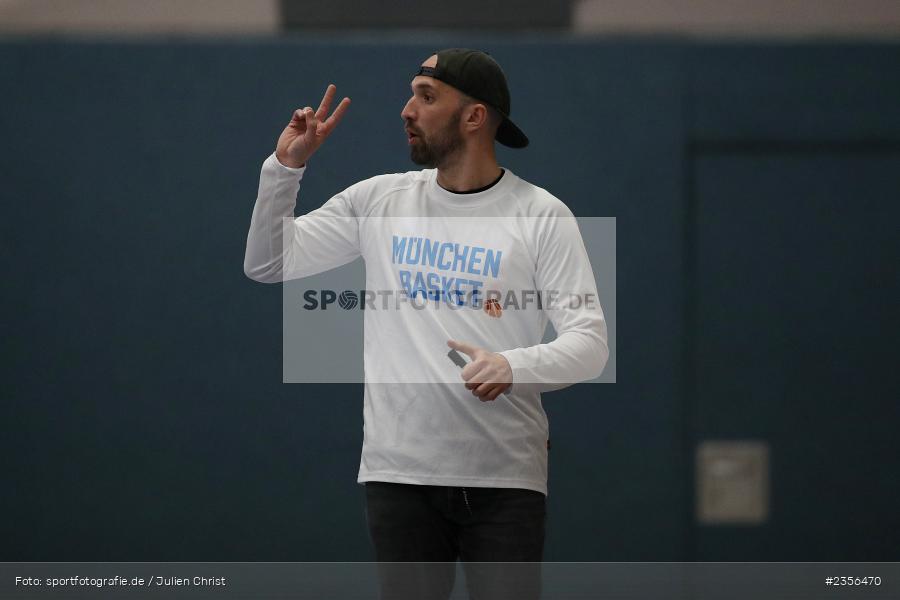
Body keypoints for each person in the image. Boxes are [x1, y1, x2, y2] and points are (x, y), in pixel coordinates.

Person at [244, 48, 609, 600]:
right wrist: (284, 169)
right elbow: (269, 263)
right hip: (399, 476)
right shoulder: (380, 201)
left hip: (504, 479)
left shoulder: (541, 215)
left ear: (474, 116)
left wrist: (513, 365)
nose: (406, 109)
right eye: (412, 93)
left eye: (426, 96)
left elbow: (589, 344)